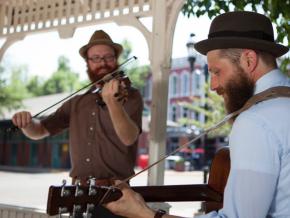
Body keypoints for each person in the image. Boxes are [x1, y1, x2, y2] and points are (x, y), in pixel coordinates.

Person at [104, 11, 290, 218]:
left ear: (248, 60)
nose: (213, 86)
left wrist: (143, 213)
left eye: (217, 71)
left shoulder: (255, 122)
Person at [12, 30, 143, 217]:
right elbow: (40, 130)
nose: (103, 63)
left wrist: (112, 103)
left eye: (108, 57)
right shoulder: (77, 103)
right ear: (88, 63)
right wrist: (26, 123)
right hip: (78, 194)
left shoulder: (130, 96)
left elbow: (129, 137)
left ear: (116, 60)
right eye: (96, 58)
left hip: (117, 195)